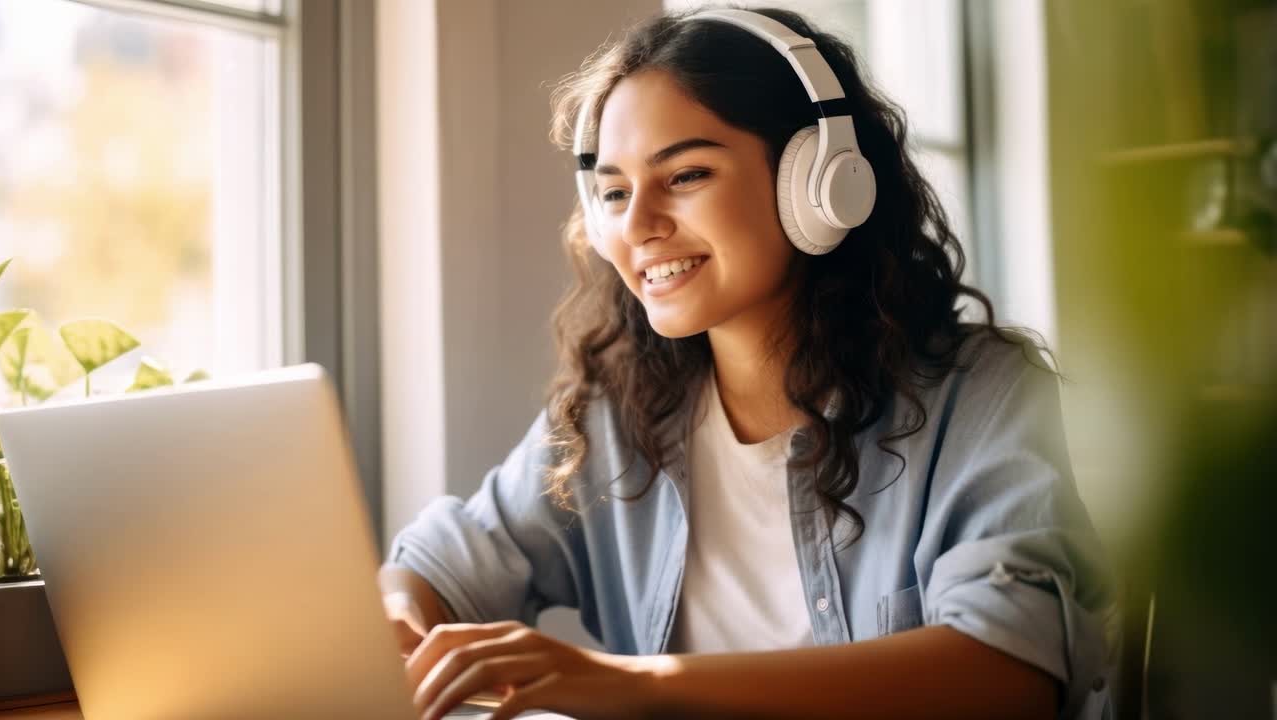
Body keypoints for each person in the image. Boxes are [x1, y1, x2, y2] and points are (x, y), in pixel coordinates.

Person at [378, 6, 1114, 720]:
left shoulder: (980, 395)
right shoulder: (618, 412)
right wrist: (402, 620)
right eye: (613, 192)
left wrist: (636, 683)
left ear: (820, 184)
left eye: (686, 175)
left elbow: (1008, 673)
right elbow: (445, 566)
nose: (636, 226)